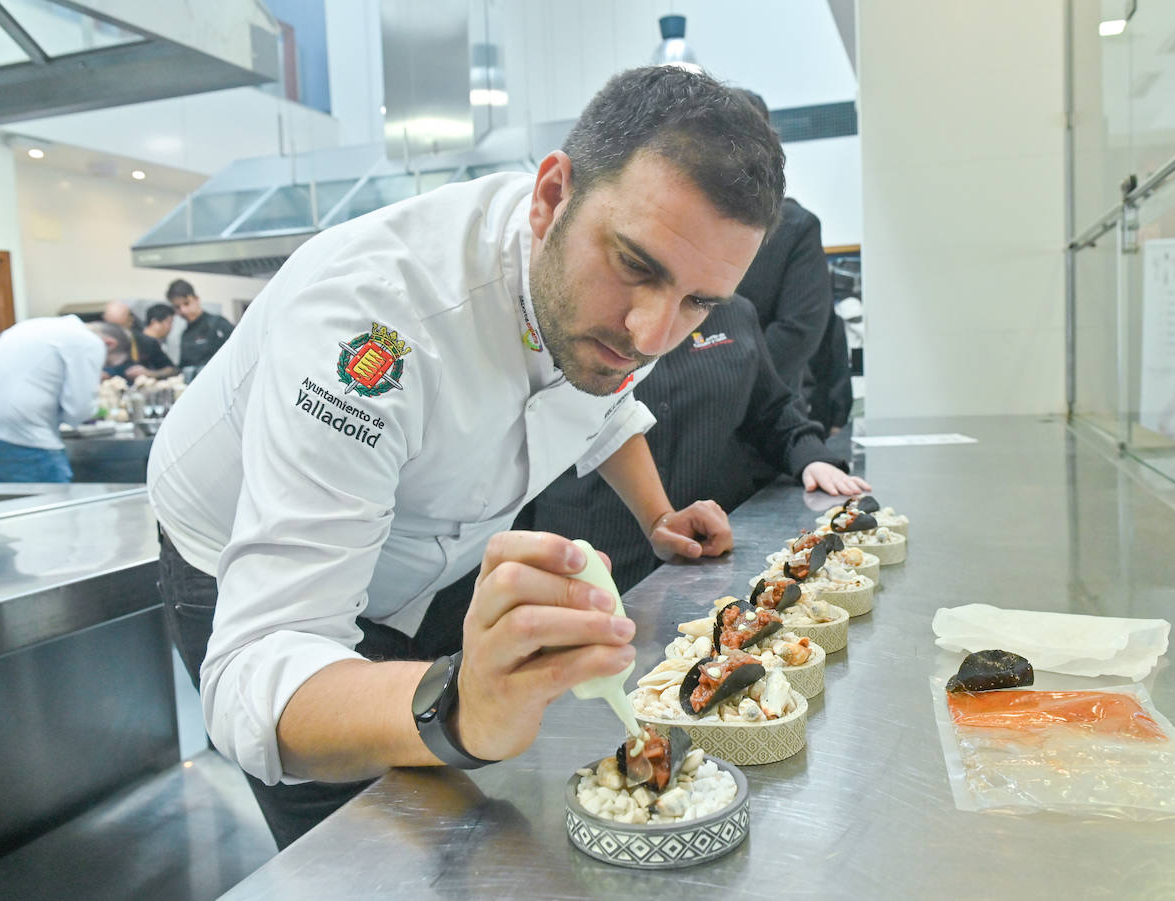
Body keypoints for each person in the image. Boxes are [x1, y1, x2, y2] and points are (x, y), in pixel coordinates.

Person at [147, 66, 784, 848]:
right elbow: (256, 667)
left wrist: (657, 517)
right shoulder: (372, 326)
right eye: (636, 266)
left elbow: (605, 401)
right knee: (358, 842)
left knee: (464, 818)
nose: (652, 334)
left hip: (437, 556)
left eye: (697, 303)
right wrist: (454, 706)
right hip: (246, 563)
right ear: (551, 196)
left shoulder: (624, 303)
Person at [525, 295, 870, 591]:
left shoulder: (736, 313)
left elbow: (772, 410)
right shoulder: (592, 312)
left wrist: (811, 456)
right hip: (591, 544)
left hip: (705, 556)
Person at [733, 92, 835, 401]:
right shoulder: (693, 224)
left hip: (768, 408)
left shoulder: (795, 228)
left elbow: (799, 331)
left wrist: (727, 379)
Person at [0, 316, 129, 482]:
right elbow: (79, 410)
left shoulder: (31, 326)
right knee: (52, 509)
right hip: (22, 438)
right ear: (109, 343)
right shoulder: (89, 342)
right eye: (106, 363)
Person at [166, 279, 234, 373]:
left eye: (186, 303)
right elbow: (184, 367)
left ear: (196, 299)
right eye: (177, 307)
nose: (183, 310)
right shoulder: (185, 334)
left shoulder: (218, 324)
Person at [127, 303, 180, 380]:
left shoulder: (156, 343)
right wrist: (149, 374)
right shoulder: (148, 343)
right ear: (154, 322)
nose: (171, 327)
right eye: (169, 322)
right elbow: (172, 369)